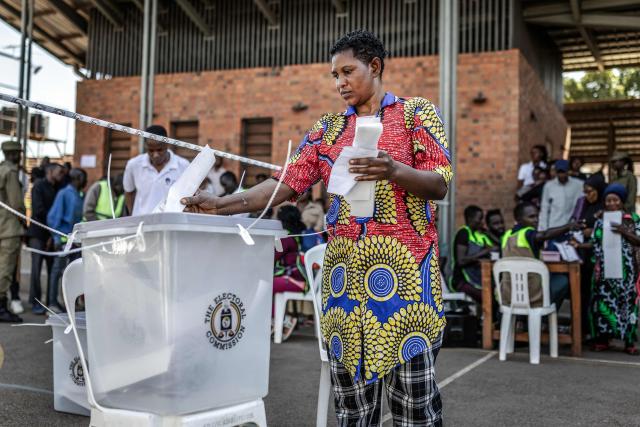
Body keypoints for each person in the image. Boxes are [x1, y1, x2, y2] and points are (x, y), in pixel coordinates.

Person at [183, 30, 451, 426]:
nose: (339, 82)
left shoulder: (415, 114)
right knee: (353, 412)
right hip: (345, 289)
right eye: (334, 75)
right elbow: (284, 182)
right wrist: (221, 205)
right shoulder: (328, 129)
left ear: (374, 66)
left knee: (414, 411)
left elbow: (440, 181)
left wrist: (392, 169)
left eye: (347, 71)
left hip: (407, 289)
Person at [572, 184, 639, 355]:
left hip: (626, 272)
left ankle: (629, 341)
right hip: (603, 272)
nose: (611, 204)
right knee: (603, 305)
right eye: (608, 200)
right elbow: (595, 243)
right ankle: (603, 339)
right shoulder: (601, 222)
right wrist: (579, 244)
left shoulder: (633, 219)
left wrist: (624, 231)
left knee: (627, 304)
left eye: (615, 200)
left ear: (622, 202)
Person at [501, 202, 580, 309]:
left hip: (509, 294)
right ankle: (544, 319)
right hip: (532, 295)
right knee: (562, 280)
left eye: (537, 216)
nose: (536, 220)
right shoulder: (527, 232)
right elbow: (544, 235)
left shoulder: (507, 235)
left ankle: (525, 320)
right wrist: (568, 227)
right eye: (531, 217)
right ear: (519, 220)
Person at [570, 172, 607, 336]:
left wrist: (592, 232)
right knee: (583, 293)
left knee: (599, 295)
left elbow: (609, 230)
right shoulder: (583, 204)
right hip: (583, 255)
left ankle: (600, 332)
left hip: (600, 257)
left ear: (599, 190)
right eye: (585, 192)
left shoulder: (606, 206)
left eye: (590, 191)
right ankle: (583, 330)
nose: (587, 195)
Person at [123, 125, 189, 216]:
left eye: (159, 150)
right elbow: (129, 193)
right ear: (146, 146)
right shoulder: (133, 165)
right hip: (141, 224)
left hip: (171, 223)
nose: (155, 155)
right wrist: (133, 215)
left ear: (167, 144)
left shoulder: (183, 165)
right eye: (151, 150)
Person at [47, 168, 87, 312]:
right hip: (64, 241)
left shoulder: (79, 195)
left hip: (75, 241)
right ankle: (51, 303)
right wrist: (56, 238)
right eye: (84, 178)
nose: (86, 181)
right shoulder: (64, 194)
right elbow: (53, 217)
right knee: (57, 271)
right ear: (77, 178)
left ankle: (71, 302)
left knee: (73, 272)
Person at [27, 163, 65, 314]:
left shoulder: (58, 188)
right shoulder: (39, 186)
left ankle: (51, 302)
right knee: (36, 269)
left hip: (51, 235)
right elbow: (38, 210)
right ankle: (35, 302)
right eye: (59, 172)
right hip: (38, 234)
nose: (61, 175)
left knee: (52, 270)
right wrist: (50, 230)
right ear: (50, 171)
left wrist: (52, 235)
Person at [273, 205, 308, 341]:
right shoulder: (299, 232)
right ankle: (275, 320)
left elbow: (272, 257)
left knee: (267, 285)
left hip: (296, 280)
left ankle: (284, 320)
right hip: (301, 277)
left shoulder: (286, 237)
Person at [0, 140, 25, 323]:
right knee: (6, 269)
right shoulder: (10, 171)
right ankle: (1, 308)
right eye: (19, 153)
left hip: (2, 225)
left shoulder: (1, 169)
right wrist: (23, 222)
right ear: (14, 154)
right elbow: (16, 205)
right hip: (9, 228)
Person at [451, 206, 496, 303]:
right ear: (470, 218)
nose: (482, 222)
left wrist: (487, 232)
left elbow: (496, 245)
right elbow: (461, 261)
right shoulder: (463, 233)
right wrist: (483, 252)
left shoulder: (477, 235)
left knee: (494, 293)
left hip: (476, 278)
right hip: (462, 280)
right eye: (479, 218)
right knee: (488, 298)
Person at [539, 159, 583, 231]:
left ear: (568, 171)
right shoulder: (549, 186)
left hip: (571, 227)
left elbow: (581, 204)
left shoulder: (579, 185)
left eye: (563, 172)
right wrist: (543, 229)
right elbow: (544, 208)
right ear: (556, 172)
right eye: (559, 172)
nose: (561, 174)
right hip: (553, 227)